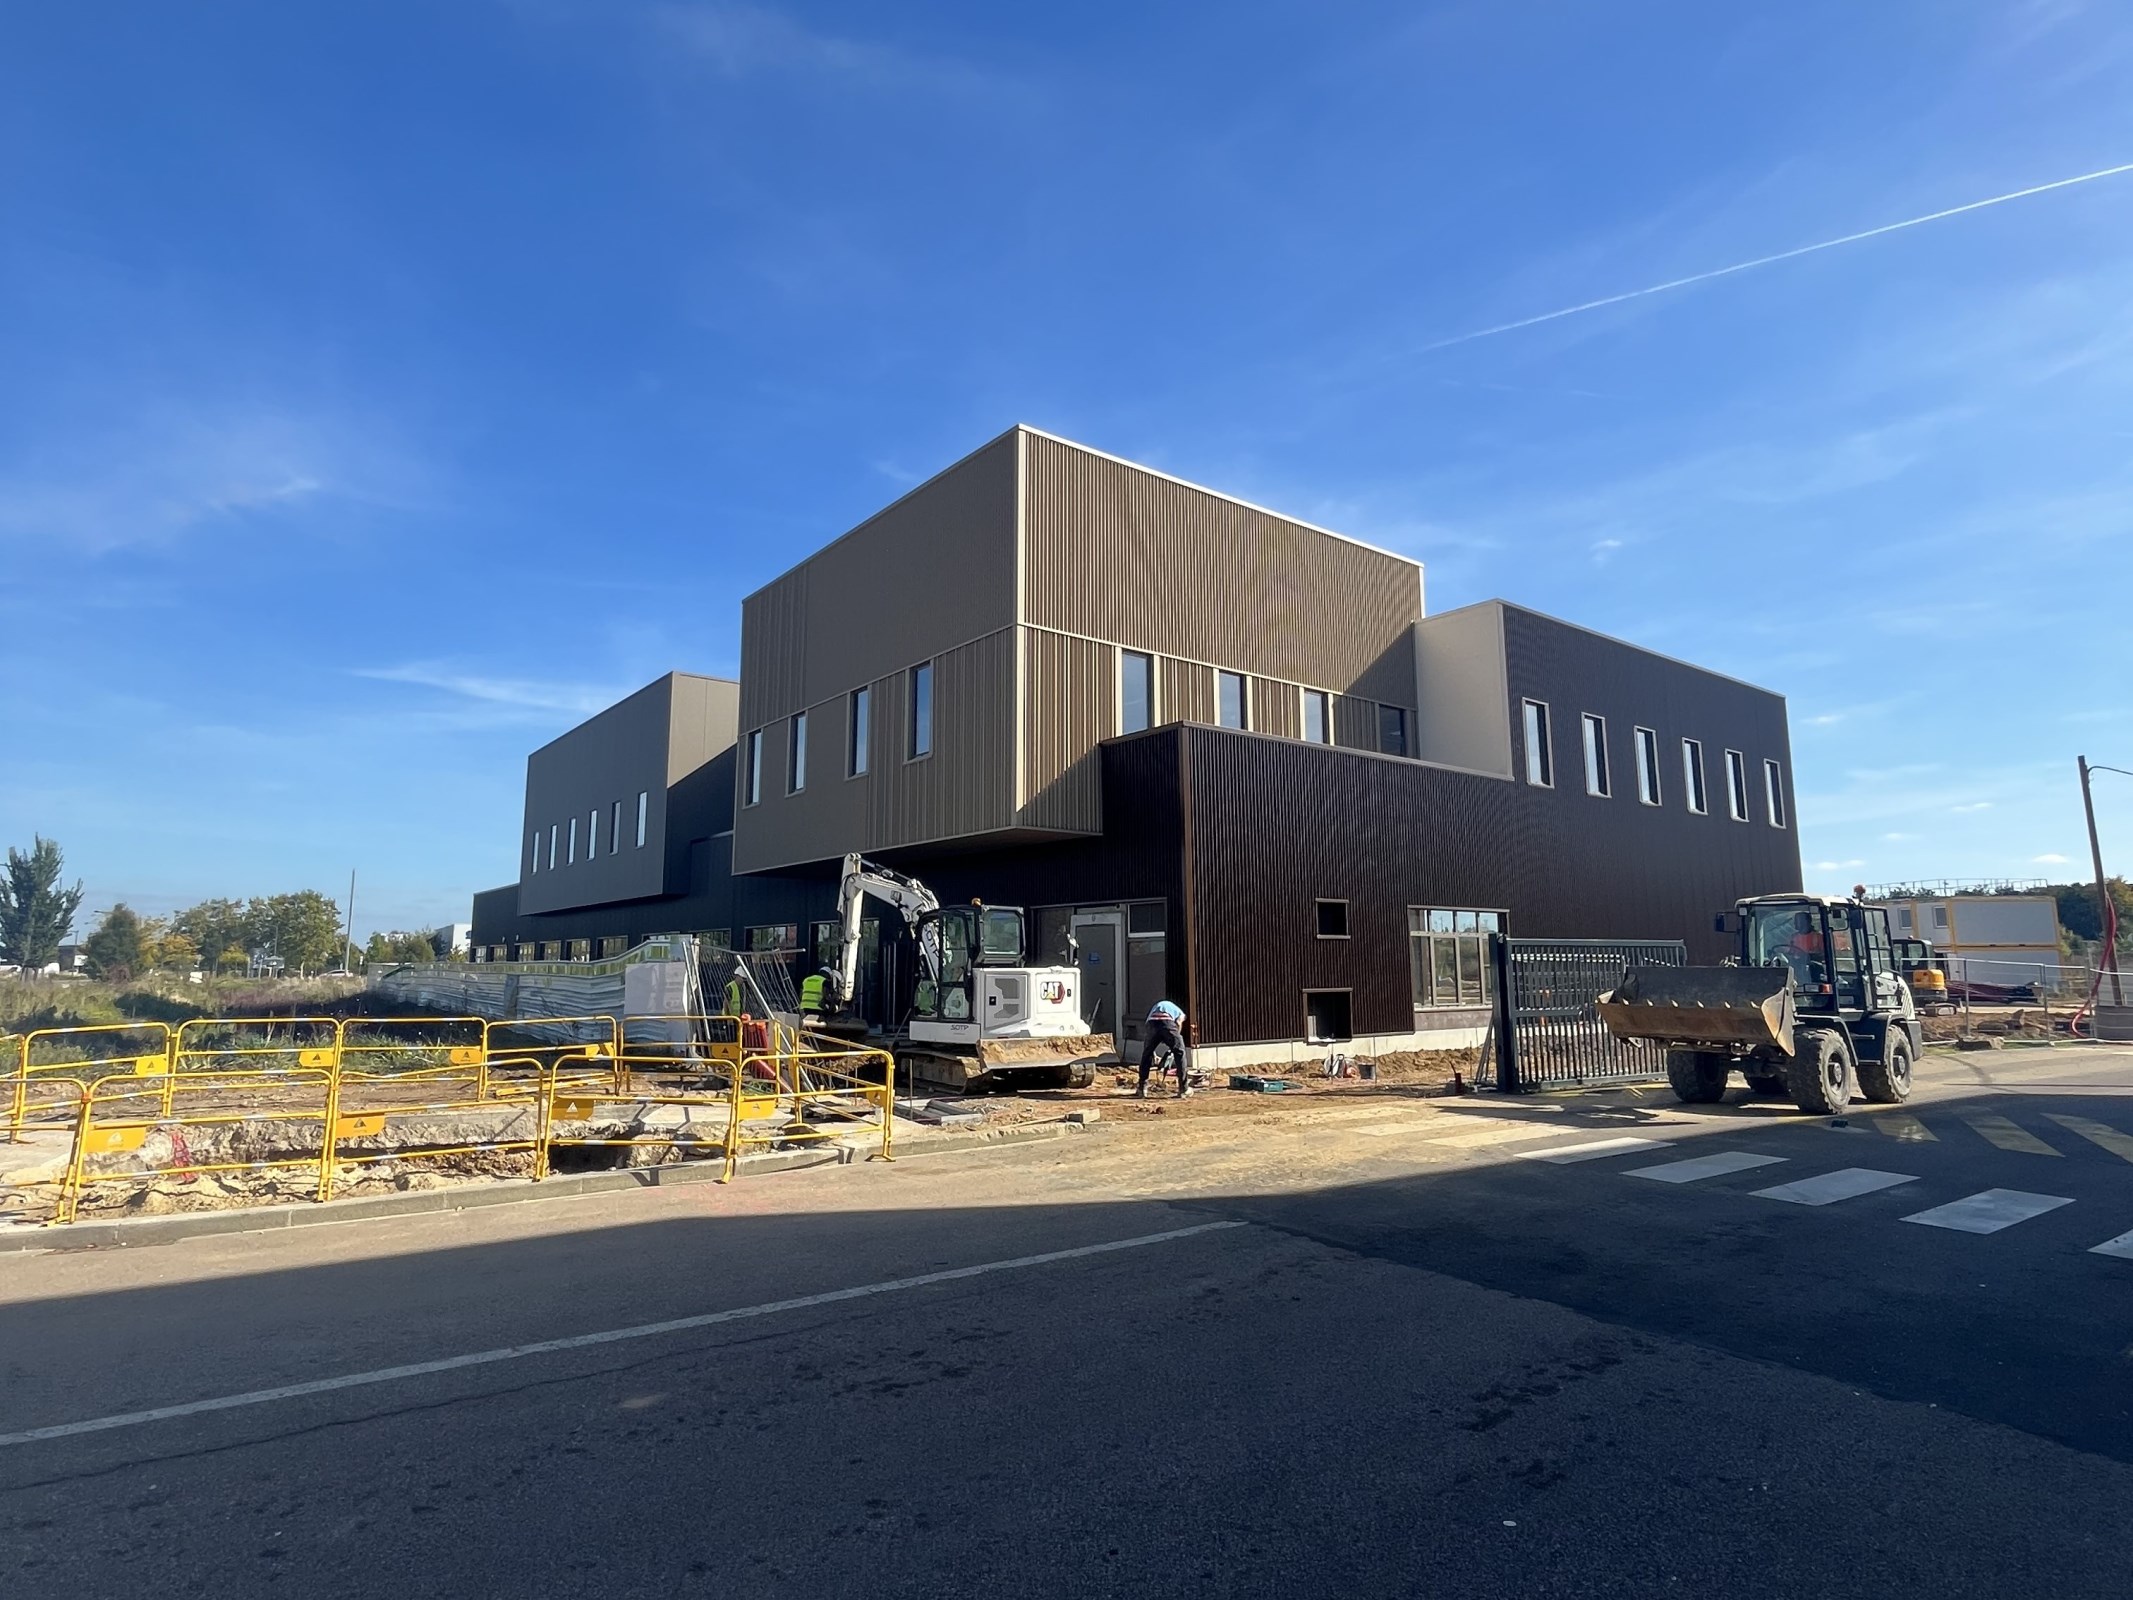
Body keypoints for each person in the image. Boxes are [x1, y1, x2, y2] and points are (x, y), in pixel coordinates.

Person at [1139, 998, 1191, 1098]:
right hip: (1167, 1023)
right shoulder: (1181, 1013)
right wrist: (1175, 1041)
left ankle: (1142, 1089)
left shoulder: (1155, 1008)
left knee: (1147, 1054)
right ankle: (1184, 1089)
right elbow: (1178, 1022)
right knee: (1180, 1052)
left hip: (1152, 1023)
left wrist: (1153, 1047)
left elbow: (1148, 1027)